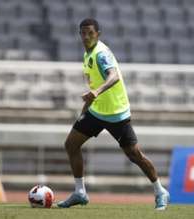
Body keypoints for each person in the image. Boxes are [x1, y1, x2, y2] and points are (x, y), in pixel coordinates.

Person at [57, 18, 170, 210]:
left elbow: (114, 76)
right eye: (83, 33)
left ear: (98, 34)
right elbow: (93, 87)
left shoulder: (101, 54)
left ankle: (160, 191)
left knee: (134, 155)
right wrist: (84, 111)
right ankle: (80, 192)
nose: (86, 37)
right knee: (71, 144)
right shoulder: (87, 55)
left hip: (117, 113)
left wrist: (97, 92)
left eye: (90, 33)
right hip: (97, 111)